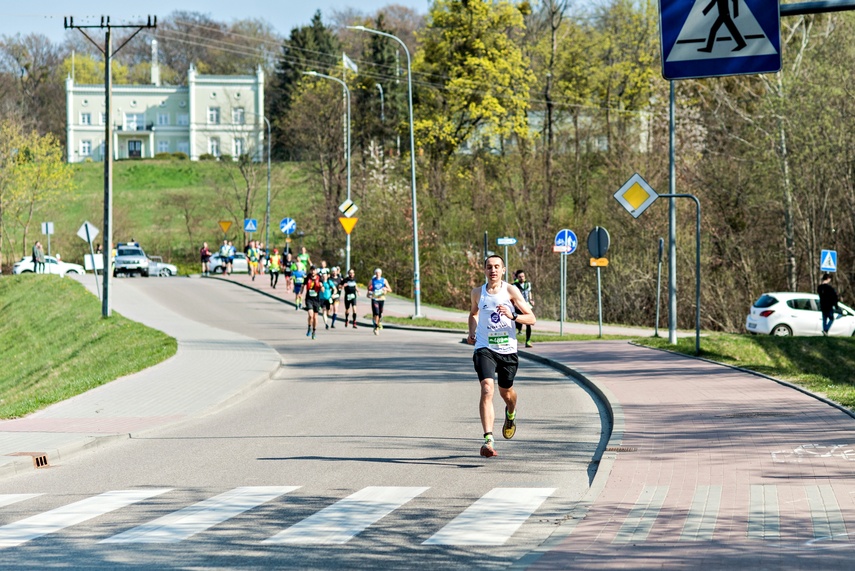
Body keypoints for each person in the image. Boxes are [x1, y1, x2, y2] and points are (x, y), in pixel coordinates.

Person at [467, 254, 535, 458]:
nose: (493, 270)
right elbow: (473, 314)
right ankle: (488, 439)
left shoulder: (511, 290)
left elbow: (531, 318)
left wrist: (513, 315)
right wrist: (471, 331)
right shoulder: (477, 293)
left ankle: (511, 412)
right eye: (489, 267)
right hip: (484, 347)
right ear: (485, 270)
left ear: (503, 270)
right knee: (487, 388)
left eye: (497, 267)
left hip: (507, 350)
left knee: (507, 394)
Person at [513, 270, 534, 348]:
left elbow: (529, 292)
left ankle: (528, 341)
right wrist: (515, 304)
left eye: (523, 276)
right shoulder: (514, 286)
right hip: (518, 306)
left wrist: (531, 300)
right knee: (517, 324)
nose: (522, 278)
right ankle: (513, 340)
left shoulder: (527, 284)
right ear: (517, 278)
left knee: (528, 324)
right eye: (520, 277)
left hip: (526, 306)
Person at [368, 268, 392, 335]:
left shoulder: (384, 280)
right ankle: (376, 328)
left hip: (381, 299)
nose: (378, 274)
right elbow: (368, 289)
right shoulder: (372, 281)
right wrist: (370, 293)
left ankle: (377, 324)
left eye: (379, 273)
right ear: (375, 274)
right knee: (376, 313)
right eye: (376, 273)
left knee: (380, 314)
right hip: (375, 299)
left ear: (381, 273)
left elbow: (390, 290)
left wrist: (386, 289)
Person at [304, 265, 323, 339]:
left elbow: (323, 290)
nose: (313, 271)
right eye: (311, 270)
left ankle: (314, 331)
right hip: (309, 299)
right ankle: (309, 327)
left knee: (315, 317)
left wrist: (321, 286)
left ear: (316, 271)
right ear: (310, 271)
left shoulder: (319, 278)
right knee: (310, 315)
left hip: (316, 300)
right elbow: (303, 285)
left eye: (314, 270)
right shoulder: (307, 277)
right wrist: (300, 293)